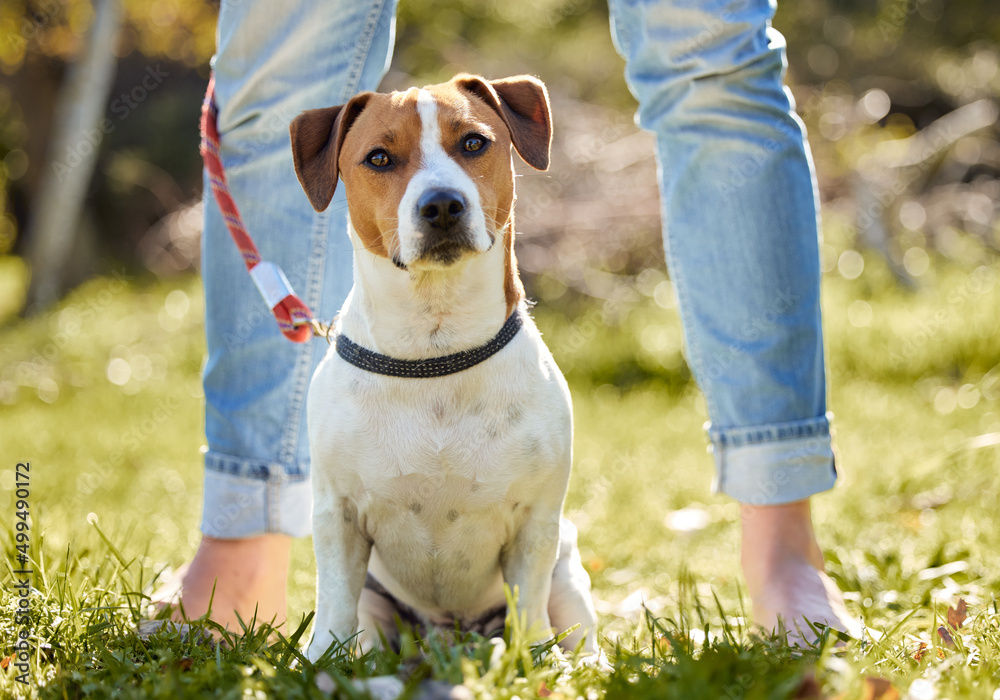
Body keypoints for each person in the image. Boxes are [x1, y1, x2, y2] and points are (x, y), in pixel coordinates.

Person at [165, 0, 856, 641]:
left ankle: (783, 547)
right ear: (334, 170)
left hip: (514, 566)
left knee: (712, 52)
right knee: (281, 65)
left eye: (471, 146)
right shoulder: (340, 385)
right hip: (384, 577)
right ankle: (242, 546)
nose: (438, 196)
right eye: (384, 161)